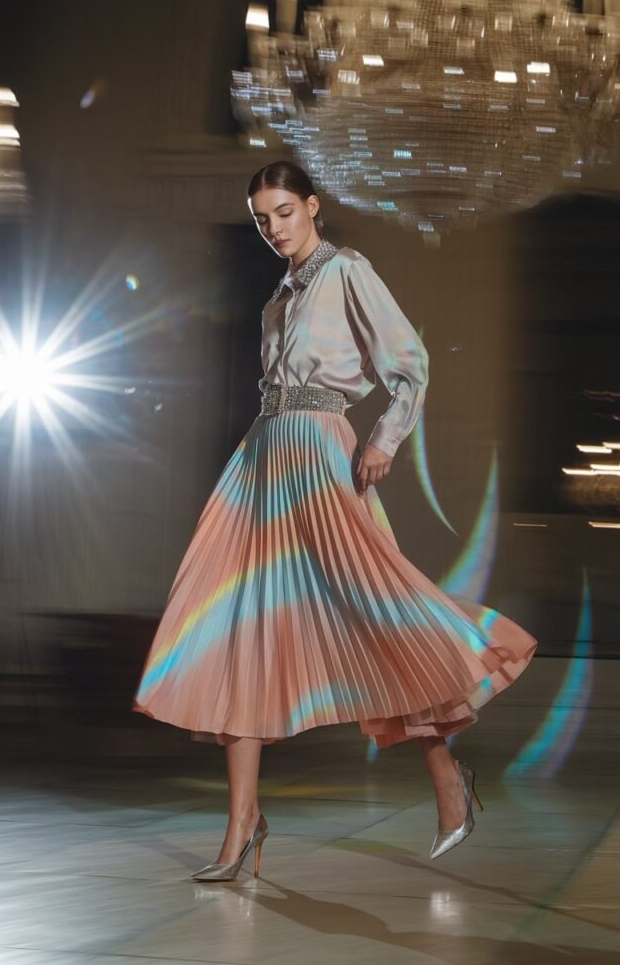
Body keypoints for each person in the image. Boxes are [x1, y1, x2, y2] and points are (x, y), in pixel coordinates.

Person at [133, 160, 537, 881]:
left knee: (378, 616)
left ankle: (448, 779)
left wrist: (383, 438)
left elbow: (408, 362)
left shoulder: (347, 270)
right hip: (259, 464)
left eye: (284, 211)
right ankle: (241, 828)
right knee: (230, 628)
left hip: (321, 455)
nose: (273, 228)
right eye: (262, 219)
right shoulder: (274, 302)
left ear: (313, 206)